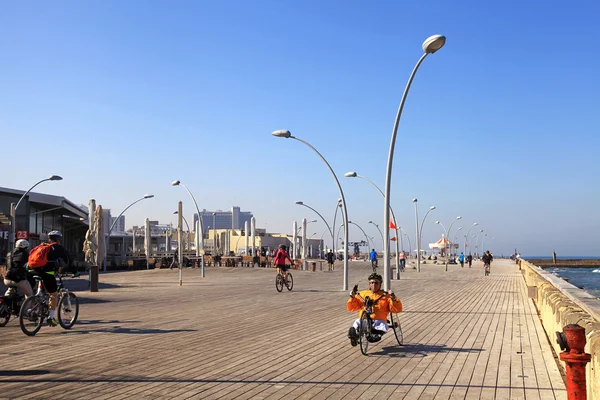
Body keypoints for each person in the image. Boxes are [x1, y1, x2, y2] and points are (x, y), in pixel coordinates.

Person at [347, 273, 403, 346]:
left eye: (376, 283)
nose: (374, 285)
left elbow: (396, 309)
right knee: (357, 322)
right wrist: (353, 297)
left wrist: (393, 298)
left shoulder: (386, 296)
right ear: (369, 284)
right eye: (372, 283)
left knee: (383, 326)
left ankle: (376, 335)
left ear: (380, 284)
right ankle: (355, 335)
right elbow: (352, 307)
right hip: (365, 320)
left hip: (379, 321)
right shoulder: (362, 294)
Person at [29, 231, 71, 327]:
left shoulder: (42, 246)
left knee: (41, 287)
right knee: (54, 295)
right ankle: (51, 317)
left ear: (49, 239)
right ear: (58, 240)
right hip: (47, 273)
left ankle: (35, 304)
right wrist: (74, 271)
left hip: (34, 271)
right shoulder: (57, 247)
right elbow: (67, 260)